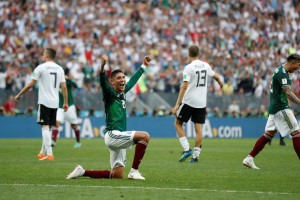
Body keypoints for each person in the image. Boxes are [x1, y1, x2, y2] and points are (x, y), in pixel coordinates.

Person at [66, 54, 151, 180]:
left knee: (117, 175)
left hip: (119, 136)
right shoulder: (110, 93)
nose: (122, 80)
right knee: (144, 136)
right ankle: (134, 172)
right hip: (113, 135)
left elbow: (133, 80)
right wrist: (102, 67)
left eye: (123, 78)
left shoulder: (122, 92)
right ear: (112, 82)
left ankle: (82, 172)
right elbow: (102, 81)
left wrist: (143, 65)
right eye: (118, 78)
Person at [242, 54, 300, 169]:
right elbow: (288, 92)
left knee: (268, 134)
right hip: (280, 108)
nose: (298, 68)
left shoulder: (280, 70)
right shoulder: (282, 73)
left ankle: (249, 158)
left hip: (275, 108)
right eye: (298, 65)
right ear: (293, 62)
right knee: (296, 132)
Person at [14, 48, 68, 161]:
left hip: (44, 101)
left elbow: (30, 84)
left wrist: (19, 94)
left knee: (44, 127)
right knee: (48, 128)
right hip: (55, 102)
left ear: (47, 56)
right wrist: (66, 103)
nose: (42, 56)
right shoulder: (60, 69)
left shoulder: (41, 67)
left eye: (43, 54)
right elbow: (63, 87)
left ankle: (50, 154)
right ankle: (42, 152)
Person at [172, 45, 223, 163]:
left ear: (188, 54)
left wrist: (177, 104)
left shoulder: (188, 68)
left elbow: (184, 86)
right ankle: (195, 156)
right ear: (198, 53)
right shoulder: (206, 65)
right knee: (198, 128)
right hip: (201, 102)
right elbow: (215, 75)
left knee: (178, 123)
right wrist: (220, 81)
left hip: (189, 101)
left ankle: (186, 149)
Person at [52, 67, 81, 148]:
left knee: (74, 126)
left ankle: (78, 142)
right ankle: (53, 142)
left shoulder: (67, 81)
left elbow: (76, 85)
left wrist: (69, 79)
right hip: (60, 107)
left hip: (69, 106)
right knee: (56, 123)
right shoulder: (57, 81)